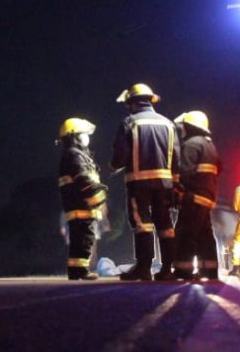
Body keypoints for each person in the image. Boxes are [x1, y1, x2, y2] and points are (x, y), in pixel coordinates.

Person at [110, 83, 178, 281]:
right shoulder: (168, 123)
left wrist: (113, 166)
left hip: (139, 184)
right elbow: (177, 157)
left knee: (142, 224)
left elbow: (120, 157)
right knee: (165, 224)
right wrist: (175, 184)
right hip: (165, 184)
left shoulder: (129, 122)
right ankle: (167, 269)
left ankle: (144, 267)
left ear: (131, 102)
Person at [57, 117, 108, 280]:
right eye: (84, 134)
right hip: (81, 205)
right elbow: (84, 179)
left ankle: (76, 270)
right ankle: (80, 271)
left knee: (80, 239)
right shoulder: (74, 155)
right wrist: (98, 199)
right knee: (85, 238)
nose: (87, 137)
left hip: (79, 204)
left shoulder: (76, 154)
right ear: (75, 136)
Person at [172, 110, 220, 280]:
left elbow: (184, 172)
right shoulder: (210, 145)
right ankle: (210, 270)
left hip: (194, 197)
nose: (182, 129)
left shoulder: (191, 144)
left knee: (186, 233)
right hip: (207, 197)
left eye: (184, 126)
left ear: (190, 127)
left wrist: (176, 189)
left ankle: (182, 270)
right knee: (205, 234)